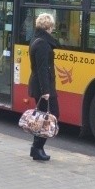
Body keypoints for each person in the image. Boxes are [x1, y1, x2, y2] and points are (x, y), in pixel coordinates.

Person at [27, 13, 59, 161]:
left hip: (42, 85)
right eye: (52, 26)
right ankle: (37, 148)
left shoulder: (37, 39)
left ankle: (37, 148)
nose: (53, 29)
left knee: (44, 117)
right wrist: (45, 91)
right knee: (49, 117)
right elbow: (42, 68)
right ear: (48, 27)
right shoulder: (42, 43)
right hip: (43, 87)